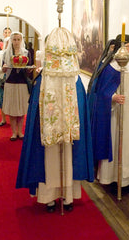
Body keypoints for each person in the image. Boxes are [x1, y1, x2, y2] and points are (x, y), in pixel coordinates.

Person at [16, 27, 94, 212]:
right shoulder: (42, 80)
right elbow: (35, 111)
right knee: (49, 163)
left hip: (69, 135)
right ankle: (49, 197)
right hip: (47, 136)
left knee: (68, 160)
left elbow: (81, 109)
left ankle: (67, 197)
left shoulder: (75, 80)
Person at [89, 34, 129, 187]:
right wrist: (112, 97)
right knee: (119, 143)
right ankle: (113, 177)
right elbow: (101, 92)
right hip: (117, 115)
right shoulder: (111, 67)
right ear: (121, 48)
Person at [2, 31, 32, 141]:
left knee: (21, 108)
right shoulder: (6, 53)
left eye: (18, 39)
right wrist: (4, 68)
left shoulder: (26, 53)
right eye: (14, 39)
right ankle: (14, 132)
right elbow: (3, 68)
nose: (16, 42)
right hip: (10, 82)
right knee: (12, 109)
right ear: (11, 40)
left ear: (21, 40)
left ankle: (20, 131)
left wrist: (29, 69)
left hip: (22, 83)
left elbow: (29, 68)